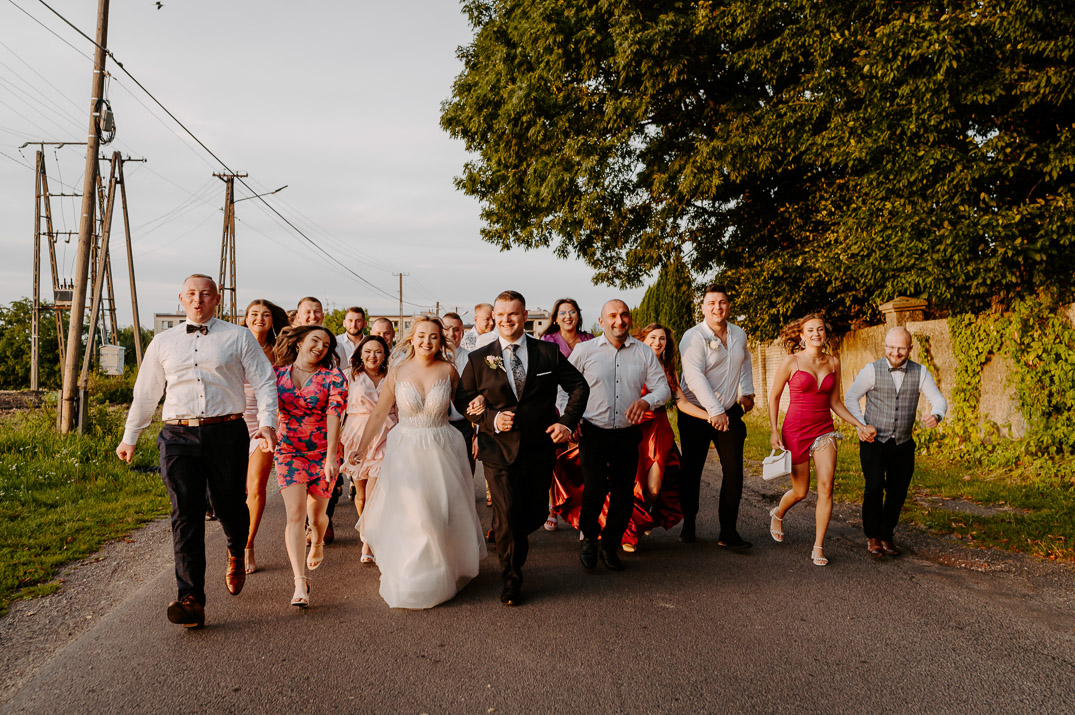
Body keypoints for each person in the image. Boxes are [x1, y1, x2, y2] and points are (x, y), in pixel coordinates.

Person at [116, 274, 277, 629]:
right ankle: (191, 599)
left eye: (205, 294)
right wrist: (130, 437)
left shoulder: (238, 336)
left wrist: (267, 423)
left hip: (227, 431)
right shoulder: (163, 342)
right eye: (191, 294)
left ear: (217, 299)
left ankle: (236, 549)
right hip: (178, 434)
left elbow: (265, 381)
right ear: (181, 299)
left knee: (229, 505)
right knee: (185, 513)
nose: (198, 300)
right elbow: (146, 392)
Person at [454, 291, 589, 606]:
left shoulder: (547, 353)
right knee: (507, 512)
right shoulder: (479, 358)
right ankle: (511, 577)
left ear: (525, 316)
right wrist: (491, 418)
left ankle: (507, 533)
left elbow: (579, 387)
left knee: (535, 512)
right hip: (497, 450)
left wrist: (567, 422)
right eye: (500, 315)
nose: (506, 320)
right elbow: (463, 400)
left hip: (538, 448)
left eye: (512, 314)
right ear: (494, 317)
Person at [355, 318, 487, 609]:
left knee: (440, 513)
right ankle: (411, 577)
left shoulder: (449, 370)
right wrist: (360, 449)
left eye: (434, 337)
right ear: (412, 338)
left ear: (441, 341)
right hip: (406, 450)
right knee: (414, 514)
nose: (427, 341)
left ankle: (439, 573)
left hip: (443, 448)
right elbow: (379, 414)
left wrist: (479, 410)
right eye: (422, 336)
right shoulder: (398, 371)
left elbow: (465, 406)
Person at [767, 315, 876, 566]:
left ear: (825, 334)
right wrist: (774, 431)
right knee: (800, 491)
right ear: (802, 335)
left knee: (826, 486)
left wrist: (860, 425)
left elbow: (835, 402)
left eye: (820, 329)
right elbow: (774, 397)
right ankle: (778, 513)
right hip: (795, 431)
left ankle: (818, 546)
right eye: (810, 330)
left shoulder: (834, 362)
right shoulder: (791, 362)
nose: (816, 333)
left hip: (824, 429)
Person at [568, 300, 669, 570]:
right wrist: (570, 419)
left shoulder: (644, 352)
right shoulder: (585, 350)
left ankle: (610, 545)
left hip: (626, 434)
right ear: (601, 322)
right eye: (612, 315)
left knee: (623, 494)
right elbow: (563, 386)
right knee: (595, 489)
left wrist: (646, 401)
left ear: (630, 320)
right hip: (592, 431)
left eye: (624, 315)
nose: (619, 320)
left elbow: (663, 389)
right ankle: (589, 539)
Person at [845, 326, 946, 557]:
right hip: (874, 442)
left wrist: (937, 415)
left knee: (897, 492)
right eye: (891, 347)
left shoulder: (920, 372)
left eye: (901, 348)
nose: (896, 352)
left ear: (910, 348)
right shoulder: (871, 370)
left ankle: (886, 535)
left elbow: (938, 399)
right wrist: (861, 425)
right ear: (884, 346)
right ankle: (872, 536)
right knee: (874, 487)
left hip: (903, 443)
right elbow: (851, 397)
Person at [273, 324, 347, 607]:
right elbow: (266, 407)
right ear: (299, 342)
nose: (320, 347)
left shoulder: (333, 377)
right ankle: (299, 582)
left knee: (316, 518)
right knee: (295, 514)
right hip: (288, 451)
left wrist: (331, 457)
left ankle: (317, 539)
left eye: (326, 345)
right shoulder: (276, 374)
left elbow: (334, 414)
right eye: (315, 340)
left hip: (322, 451)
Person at [678, 284, 756, 548]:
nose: (717, 307)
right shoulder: (693, 337)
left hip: (729, 411)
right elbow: (694, 377)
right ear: (703, 308)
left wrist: (748, 392)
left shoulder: (739, 333)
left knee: (734, 472)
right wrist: (714, 411)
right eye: (711, 303)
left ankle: (728, 531)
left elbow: (745, 360)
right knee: (692, 470)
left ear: (728, 305)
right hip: (697, 413)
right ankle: (689, 521)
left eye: (722, 302)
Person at [240, 298, 289, 574]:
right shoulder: (234, 344)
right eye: (254, 313)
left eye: (266, 314)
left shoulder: (279, 351)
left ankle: (247, 545)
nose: (259, 318)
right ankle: (236, 538)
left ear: (272, 321)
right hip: (233, 421)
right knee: (235, 489)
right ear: (246, 318)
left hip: (265, 423)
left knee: (256, 486)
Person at [539, 297, 595, 530]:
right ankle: (552, 506)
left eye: (572, 311)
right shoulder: (548, 342)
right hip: (555, 408)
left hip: (586, 406)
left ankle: (581, 508)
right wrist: (567, 418)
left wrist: (579, 414)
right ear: (555, 318)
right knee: (556, 461)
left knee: (583, 462)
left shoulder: (590, 340)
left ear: (578, 315)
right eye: (562, 313)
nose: (567, 316)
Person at [339, 335, 396, 564]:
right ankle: (366, 532)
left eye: (378, 352)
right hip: (357, 434)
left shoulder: (392, 376)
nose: (373, 356)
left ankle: (367, 542)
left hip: (385, 435)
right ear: (360, 354)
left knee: (374, 490)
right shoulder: (349, 375)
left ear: (385, 356)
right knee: (360, 492)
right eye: (368, 351)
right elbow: (338, 407)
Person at [443, 312, 478, 474]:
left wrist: (478, 432)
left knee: (466, 469)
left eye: (456, 329)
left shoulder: (472, 359)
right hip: (438, 423)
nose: (451, 334)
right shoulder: (431, 358)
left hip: (464, 423)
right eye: (447, 329)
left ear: (462, 333)